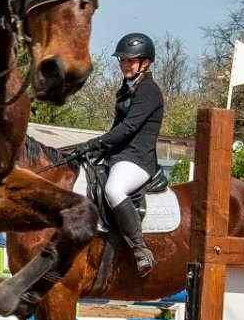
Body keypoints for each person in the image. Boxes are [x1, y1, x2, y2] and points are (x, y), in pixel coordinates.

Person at [59, 33, 165, 276]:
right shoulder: (127, 89)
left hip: (138, 159)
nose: (124, 65)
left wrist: (93, 144)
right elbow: (117, 129)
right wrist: (91, 150)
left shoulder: (149, 90)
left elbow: (128, 129)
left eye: (130, 61)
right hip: (119, 156)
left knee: (113, 189)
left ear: (145, 63)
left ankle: (139, 249)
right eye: (122, 61)